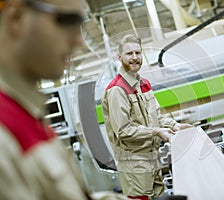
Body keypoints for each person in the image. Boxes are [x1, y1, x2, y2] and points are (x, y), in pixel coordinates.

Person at [0, 0, 126, 199]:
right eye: (68, 21)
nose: (80, 41)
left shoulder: (25, 112)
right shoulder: (5, 131)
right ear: (16, 19)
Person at [101, 34, 192, 200]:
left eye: (138, 52)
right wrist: (156, 132)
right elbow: (124, 130)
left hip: (153, 158)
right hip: (134, 165)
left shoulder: (143, 84)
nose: (134, 58)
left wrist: (174, 126)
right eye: (129, 54)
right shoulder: (117, 90)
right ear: (119, 57)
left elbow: (157, 115)